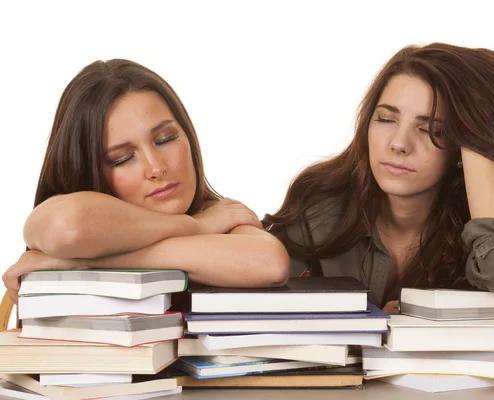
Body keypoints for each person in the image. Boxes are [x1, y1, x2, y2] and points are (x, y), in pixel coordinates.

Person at [263, 43, 494, 313]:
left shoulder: (484, 221)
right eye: (385, 119)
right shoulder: (319, 202)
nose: (399, 143)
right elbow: (260, 312)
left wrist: (476, 134)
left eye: (432, 130)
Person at [2, 59, 290, 305]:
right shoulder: (210, 221)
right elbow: (67, 228)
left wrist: (75, 262)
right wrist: (195, 227)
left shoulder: (223, 216)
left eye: (165, 139)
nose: (156, 168)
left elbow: (269, 264)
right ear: (87, 169)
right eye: (122, 158)